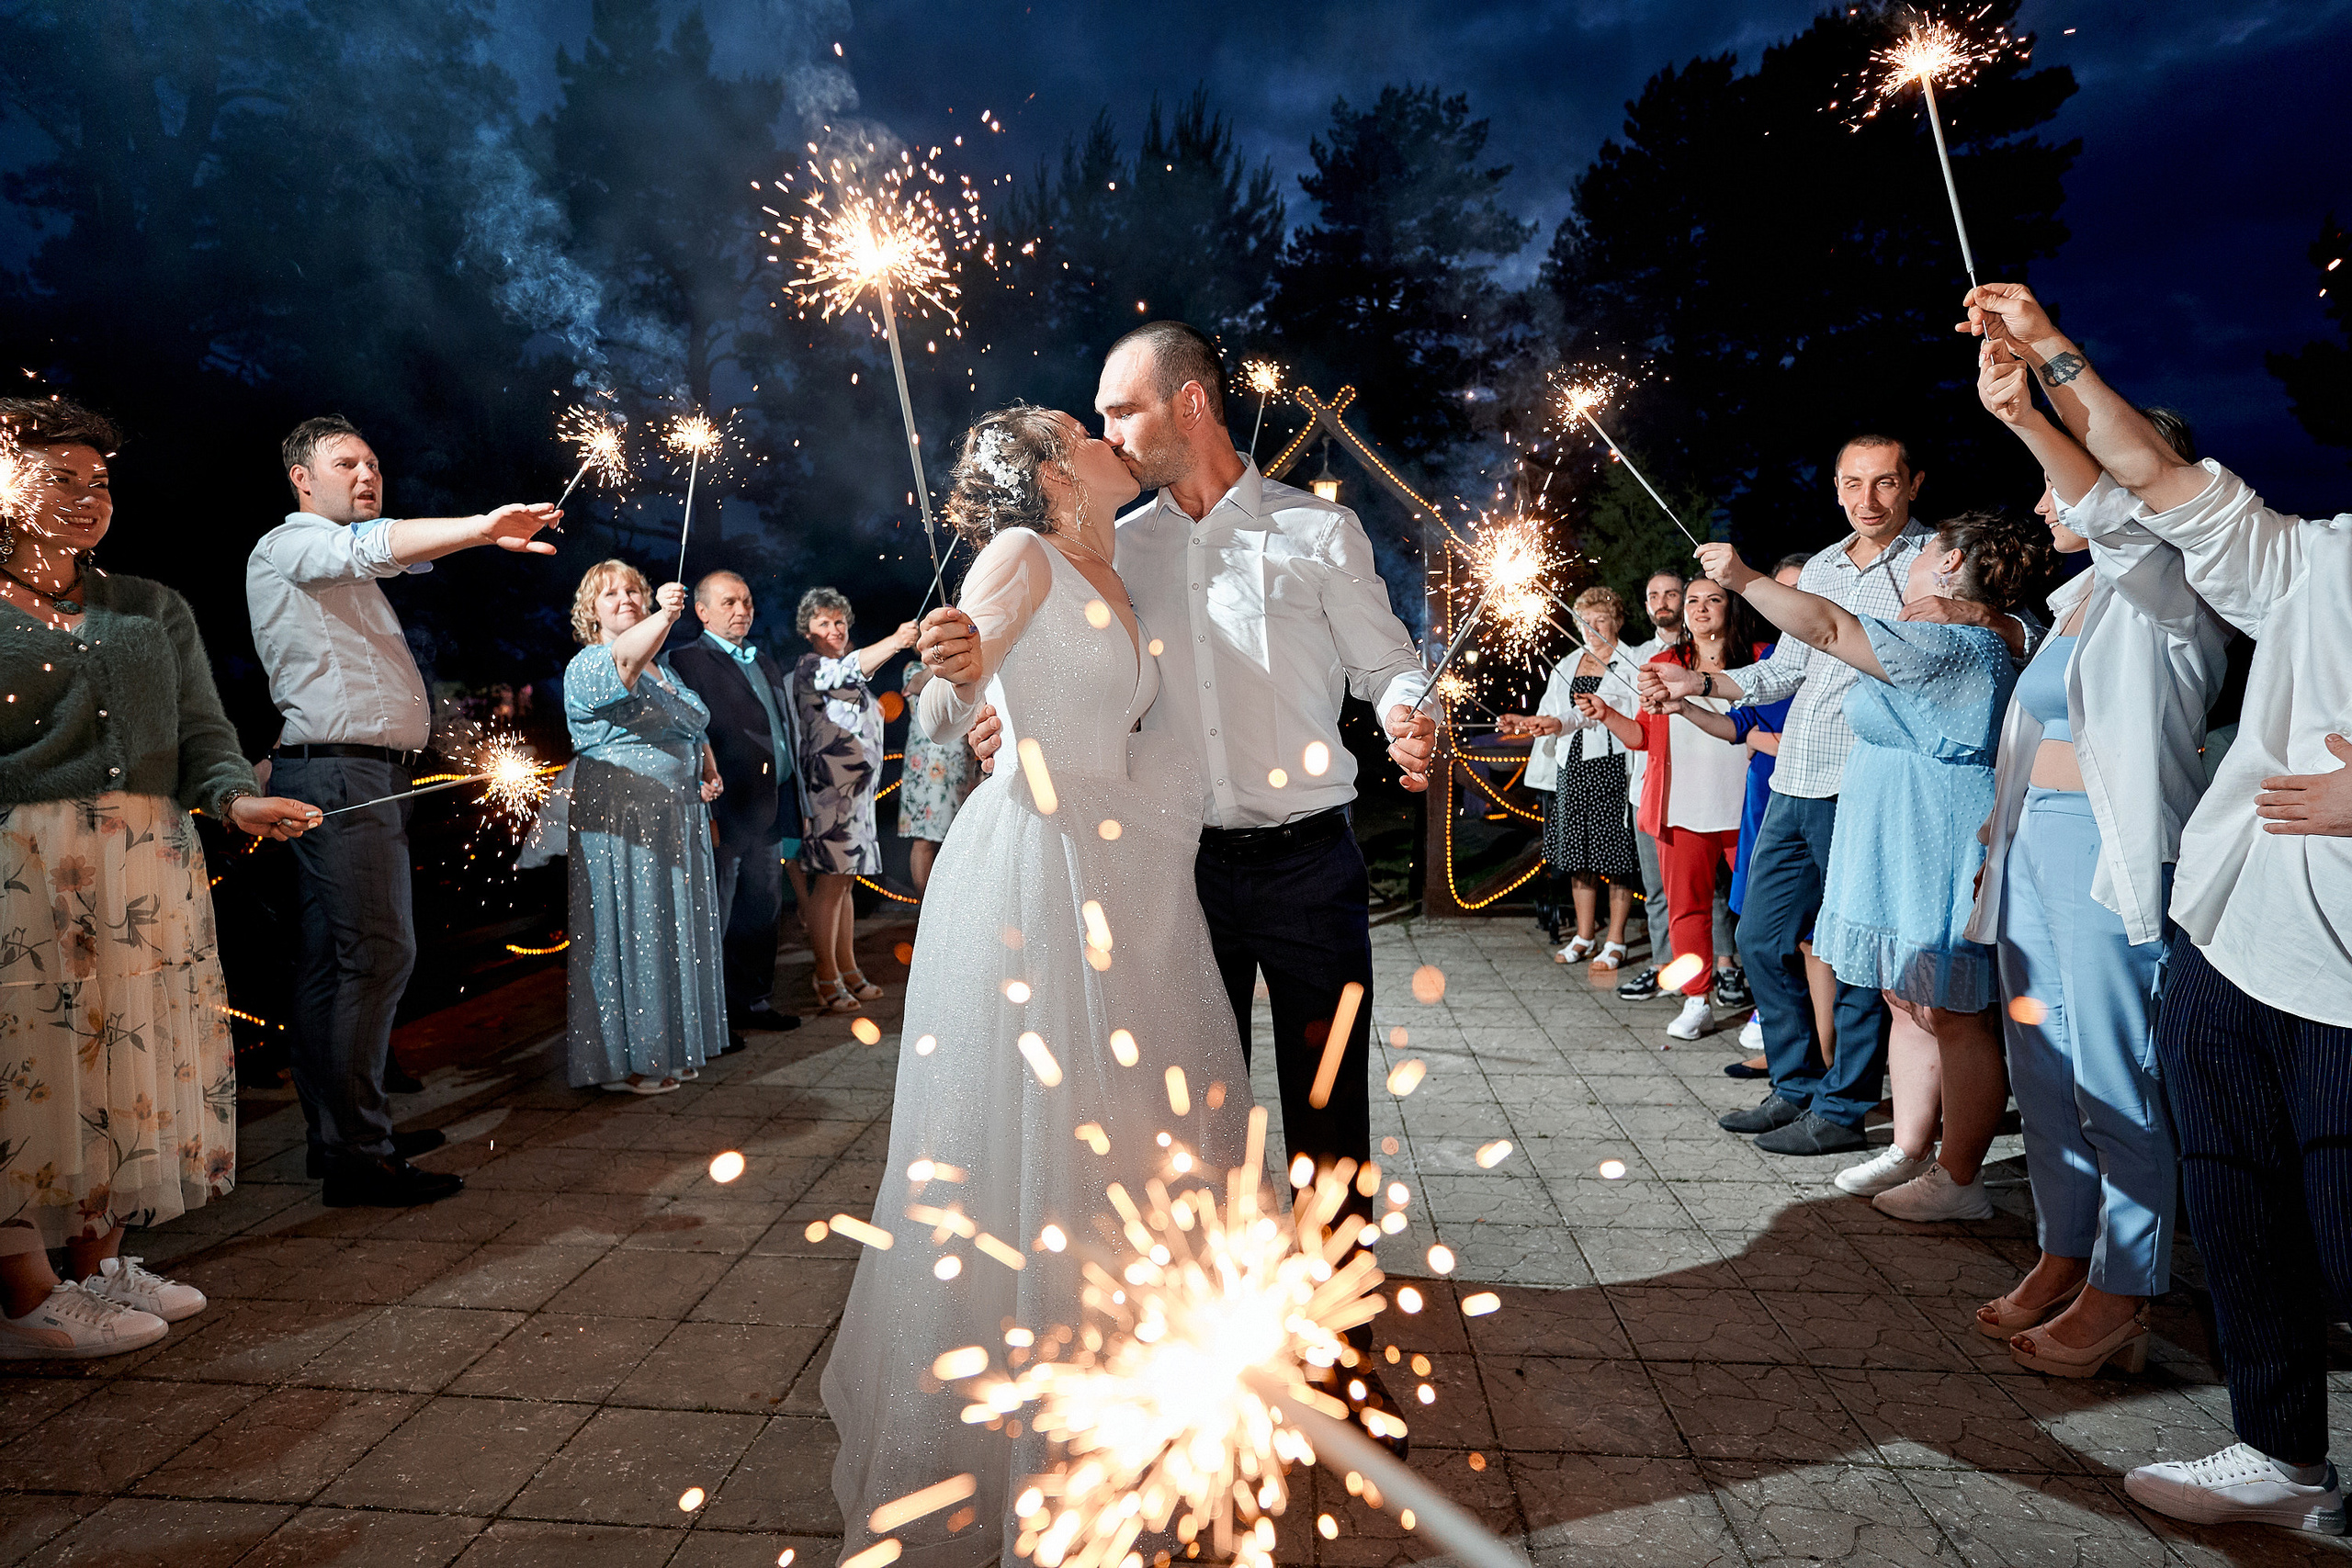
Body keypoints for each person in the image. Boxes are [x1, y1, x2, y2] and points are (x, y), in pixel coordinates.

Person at [920, 321, 1435, 1438]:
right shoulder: (1114, 545)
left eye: (1122, 410)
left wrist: (1408, 714)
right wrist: (990, 712)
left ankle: (1339, 1346)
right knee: (1184, 1121)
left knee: (1323, 1111)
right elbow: (1048, 659)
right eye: (1095, 422)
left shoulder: (1317, 530)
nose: (1106, 429)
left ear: (1190, 405)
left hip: (1306, 863)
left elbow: (1388, 663)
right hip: (1171, 874)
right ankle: (1205, 1338)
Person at [823, 405, 1252, 1566]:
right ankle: (1023, 1436)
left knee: (1139, 1142)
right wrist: (956, 669)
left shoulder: (1120, 560)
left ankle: (1136, 1400)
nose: (1111, 434)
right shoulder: (1016, 555)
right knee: (1047, 1140)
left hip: (1134, 870)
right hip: (1039, 870)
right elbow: (964, 687)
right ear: (1058, 467)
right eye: (1085, 426)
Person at [1963, 281, 2352, 1534]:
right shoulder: (2317, 556)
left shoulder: (2191, 587)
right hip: (2236, 934)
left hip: (2342, 968)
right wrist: (2049, 355)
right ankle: (2280, 1451)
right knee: (2242, 1208)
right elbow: (2156, 485)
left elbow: (2136, 509)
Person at [0, 398, 318, 1358]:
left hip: (144, 864)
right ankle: (24, 1295)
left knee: (120, 1059)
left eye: (99, 482)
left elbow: (204, 738)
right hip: (25, 868)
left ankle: (98, 1264)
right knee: (26, 1071)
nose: (88, 498)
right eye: (60, 478)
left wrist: (234, 800)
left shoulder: (150, 606)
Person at [1965, 346, 2230, 1375]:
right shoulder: (2075, 603)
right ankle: (2060, 1253)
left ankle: (2125, 1288)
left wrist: (2032, 412)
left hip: (2109, 850)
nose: (2043, 506)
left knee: (2114, 1073)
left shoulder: (2171, 580)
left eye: (2073, 475)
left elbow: (2126, 529)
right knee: (2045, 1065)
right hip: (2036, 849)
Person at [1693, 512, 2042, 1222]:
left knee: (1950, 1005)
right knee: (1907, 994)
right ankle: (1910, 1148)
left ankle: (1961, 1175)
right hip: (1892, 823)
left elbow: (1827, 627)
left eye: (1929, 553)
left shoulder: (1954, 641)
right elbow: (1807, 650)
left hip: (1937, 827)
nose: (1915, 562)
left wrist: (1746, 579)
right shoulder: (1933, 627)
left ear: (1948, 564)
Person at [247, 414, 557, 1205]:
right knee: (380, 954)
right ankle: (359, 1150)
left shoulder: (338, 563)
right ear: (301, 479)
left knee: (332, 961)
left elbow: (393, 548)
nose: (366, 474)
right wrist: (487, 525)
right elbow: (377, 543)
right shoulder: (292, 545)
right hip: (341, 777)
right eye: (346, 462)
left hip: (349, 775)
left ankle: (340, 1135)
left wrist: (482, 541)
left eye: (374, 463)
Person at [1650, 435, 1938, 1156]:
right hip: (1796, 780)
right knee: (1758, 936)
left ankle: (1843, 1107)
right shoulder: (1823, 566)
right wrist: (1702, 684)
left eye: (1884, 483)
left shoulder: (1934, 561)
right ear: (1836, 487)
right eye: (1852, 484)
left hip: (1868, 783)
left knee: (1853, 952)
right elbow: (1785, 670)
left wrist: (1743, 578)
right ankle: (1797, 1083)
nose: (1866, 500)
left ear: (1913, 485)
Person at [1577, 577, 1770, 1041]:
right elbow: (1643, 735)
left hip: (1749, 807)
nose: (1701, 609)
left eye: (1714, 600)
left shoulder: (1762, 658)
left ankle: (1768, 1009)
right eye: (1694, 601)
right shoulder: (1662, 662)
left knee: (1763, 914)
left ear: (1731, 607)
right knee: (1686, 910)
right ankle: (1697, 999)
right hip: (1682, 806)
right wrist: (1607, 714)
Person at [561, 561, 728, 1093]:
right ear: (591, 611)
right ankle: (626, 1060)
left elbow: (690, 726)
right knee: (632, 926)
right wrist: (663, 615)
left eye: (633, 589)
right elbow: (624, 665)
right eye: (610, 594)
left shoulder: (666, 670)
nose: (625, 598)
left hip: (676, 816)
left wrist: (707, 770)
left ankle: (668, 1046)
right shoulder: (590, 663)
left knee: (674, 927)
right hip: (623, 820)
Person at [667, 570, 804, 1036]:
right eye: (728, 602)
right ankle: (712, 1017)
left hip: (767, 810)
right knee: (716, 915)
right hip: (723, 810)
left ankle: (755, 1002)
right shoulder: (685, 660)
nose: (741, 609)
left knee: (761, 911)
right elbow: (687, 731)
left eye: (745, 600)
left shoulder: (762, 660)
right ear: (701, 611)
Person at [1498, 586, 1642, 970]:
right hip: (1572, 768)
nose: (1591, 628)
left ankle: (1616, 939)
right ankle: (1584, 935)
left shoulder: (1633, 664)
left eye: (1600, 621)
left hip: (1613, 766)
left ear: (1618, 622)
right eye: (1584, 622)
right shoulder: (1566, 666)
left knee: (1615, 854)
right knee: (1577, 853)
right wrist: (1524, 723)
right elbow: (1551, 715)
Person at [785, 589, 914, 1013]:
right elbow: (845, 671)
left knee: (844, 886)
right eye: (824, 623)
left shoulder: (848, 673)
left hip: (856, 798)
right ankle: (825, 977)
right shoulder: (811, 668)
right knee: (829, 885)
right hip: (829, 797)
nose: (834, 629)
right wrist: (896, 641)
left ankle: (849, 970)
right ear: (808, 631)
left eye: (840, 622)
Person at [1613, 570, 1690, 1000]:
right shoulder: (1636, 657)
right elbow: (1613, 710)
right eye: (1654, 595)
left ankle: (1723, 966)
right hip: (1645, 786)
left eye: (1672, 594)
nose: (1663, 601)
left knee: (1705, 887)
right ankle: (1664, 966)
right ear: (1645, 605)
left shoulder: (1707, 651)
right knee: (1657, 885)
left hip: (1695, 785)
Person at [896, 662, 978, 894]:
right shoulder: (913, 669)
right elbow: (916, 685)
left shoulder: (965, 665)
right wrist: (942, 658)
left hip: (961, 763)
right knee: (925, 838)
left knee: (960, 839)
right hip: (927, 767)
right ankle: (926, 909)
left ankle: (953, 907)